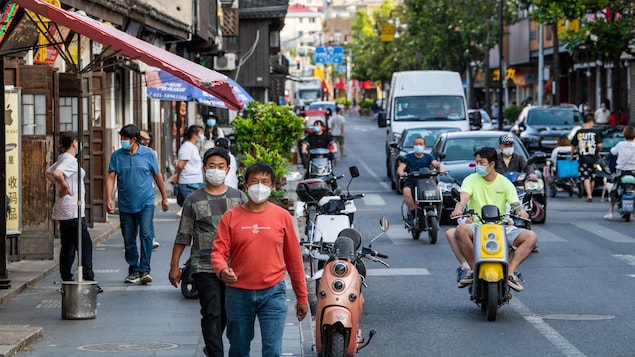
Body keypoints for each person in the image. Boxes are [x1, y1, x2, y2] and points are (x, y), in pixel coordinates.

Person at [211, 162, 308, 357]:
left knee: (272, 351)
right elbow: (218, 252)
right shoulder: (231, 217)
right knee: (238, 350)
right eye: (254, 181)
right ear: (245, 186)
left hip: (273, 293)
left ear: (273, 186)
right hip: (238, 294)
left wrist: (302, 297)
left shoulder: (282, 217)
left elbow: (294, 260)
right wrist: (222, 269)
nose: (259, 186)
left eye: (265, 182)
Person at [169, 148, 247, 356]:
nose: (216, 170)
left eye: (220, 167)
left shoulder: (239, 198)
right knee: (211, 312)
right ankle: (215, 352)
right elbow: (183, 235)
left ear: (228, 169)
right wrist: (174, 266)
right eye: (211, 166)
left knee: (228, 313)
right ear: (204, 169)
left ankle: (212, 344)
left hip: (234, 266)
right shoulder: (193, 200)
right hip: (204, 265)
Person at [451, 147, 537, 292]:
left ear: (492, 164)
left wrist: (521, 211)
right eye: (477, 162)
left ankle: (510, 272)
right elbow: (464, 196)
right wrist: (459, 208)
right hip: (477, 225)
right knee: (460, 230)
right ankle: (473, 269)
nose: (478, 165)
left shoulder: (505, 183)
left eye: (481, 162)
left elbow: (514, 203)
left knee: (531, 236)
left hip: (502, 226)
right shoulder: (470, 180)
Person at [105, 124, 169, 284]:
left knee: (146, 235)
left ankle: (145, 269)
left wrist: (165, 197)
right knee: (129, 238)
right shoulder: (117, 156)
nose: (122, 142)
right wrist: (109, 198)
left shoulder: (148, 154)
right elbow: (111, 177)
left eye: (125, 139)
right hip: (126, 204)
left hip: (146, 202)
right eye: (121, 138)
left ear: (134, 140)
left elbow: (158, 175)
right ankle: (133, 269)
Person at [46, 131, 102, 293]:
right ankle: (89, 279)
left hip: (65, 209)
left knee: (68, 245)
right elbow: (55, 174)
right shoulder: (69, 160)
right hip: (72, 210)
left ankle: (66, 278)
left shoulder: (62, 158)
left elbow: (49, 173)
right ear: (75, 143)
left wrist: (61, 185)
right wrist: (64, 186)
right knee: (84, 245)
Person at [396, 136, 445, 224]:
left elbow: (436, 164)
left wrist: (441, 169)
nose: (418, 146)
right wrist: (402, 173)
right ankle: (412, 214)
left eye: (420, 144)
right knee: (406, 191)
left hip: (426, 183)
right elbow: (401, 167)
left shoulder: (429, 157)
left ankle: (435, 210)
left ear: (424, 146)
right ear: (413, 146)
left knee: (438, 190)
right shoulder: (408, 157)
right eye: (416, 144)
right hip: (412, 183)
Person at [173, 125, 205, 216]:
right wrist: (178, 177)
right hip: (189, 182)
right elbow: (180, 165)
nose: (202, 136)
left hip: (195, 181)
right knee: (197, 208)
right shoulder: (187, 146)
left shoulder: (193, 146)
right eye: (201, 133)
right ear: (194, 135)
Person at [571, 113, 603, 202]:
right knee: (592, 176)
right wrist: (597, 151)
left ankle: (589, 195)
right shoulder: (595, 132)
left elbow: (573, 145)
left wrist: (571, 156)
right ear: (591, 121)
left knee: (585, 176)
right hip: (593, 157)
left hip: (583, 157)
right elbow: (599, 145)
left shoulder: (579, 132)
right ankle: (590, 194)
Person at [605, 126, 635, 219]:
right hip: (634, 172)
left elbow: (612, 153)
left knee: (614, 190)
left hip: (621, 171)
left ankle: (610, 212)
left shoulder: (620, 144)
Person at [139, 130, 161, 250]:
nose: (144, 141)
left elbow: (156, 173)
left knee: (147, 217)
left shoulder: (151, 153)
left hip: (148, 189)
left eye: (146, 138)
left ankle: (150, 239)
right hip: (133, 190)